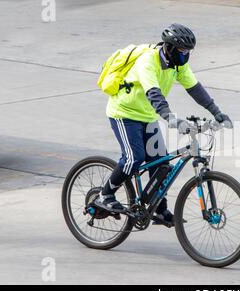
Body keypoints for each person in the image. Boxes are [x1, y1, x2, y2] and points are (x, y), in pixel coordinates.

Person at [99, 23, 233, 226]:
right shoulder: (148, 61)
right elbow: (154, 93)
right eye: (182, 51)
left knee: (162, 164)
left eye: (188, 52)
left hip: (146, 116)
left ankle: (159, 209)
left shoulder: (177, 65)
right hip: (124, 113)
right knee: (134, 158)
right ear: (169, 48)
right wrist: (170, 118)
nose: (185, 55)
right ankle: (105, 195)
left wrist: (217, 112)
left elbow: (195, 88)